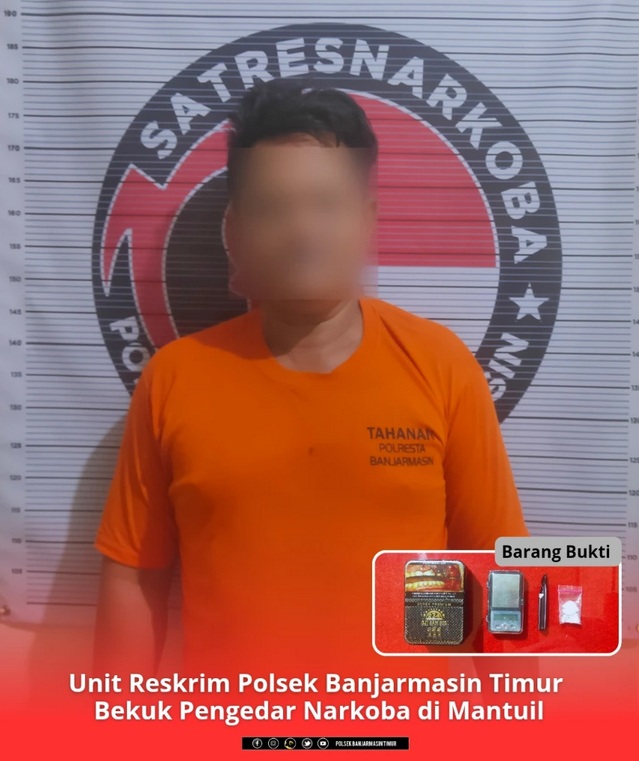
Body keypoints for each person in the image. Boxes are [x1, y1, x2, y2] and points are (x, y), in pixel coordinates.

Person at [93, 77, 528, 675]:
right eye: (273, 208)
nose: (303, 232)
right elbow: (134, 580)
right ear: (235, 231)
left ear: (366, 220)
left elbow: (499, 567)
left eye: (326, 205)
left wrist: (518, 716)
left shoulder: (441, 366)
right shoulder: (175, 378)